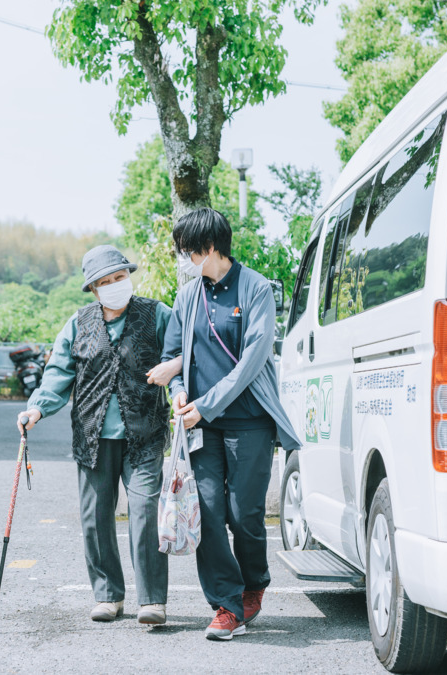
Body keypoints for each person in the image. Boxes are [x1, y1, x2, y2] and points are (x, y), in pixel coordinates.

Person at [17, 245, 181, 625]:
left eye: (119, 277)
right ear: (93, 289)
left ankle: (152, 600)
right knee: (95, 518)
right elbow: (58, 375)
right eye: (105, 282)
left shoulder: (157, 314)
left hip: (144, 434)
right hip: (92, 438)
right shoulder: (78, 323)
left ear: (129, 277)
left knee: (143, 513)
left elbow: (179, 355)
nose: (114, 285)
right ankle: (108, 595)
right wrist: (36, 409)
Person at [162, 207, 300, 641]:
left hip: (250, 422)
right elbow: (173, 357)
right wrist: (180, 391)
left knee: (245, 516)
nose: (184, 258)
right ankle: (226, 603)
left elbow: (252, 362)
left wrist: (207, 404)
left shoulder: (255, 288)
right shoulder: (188, 296)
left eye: (187, 250)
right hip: (201, 424)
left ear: (209, 247)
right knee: (205, 509)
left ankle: (254, 583)